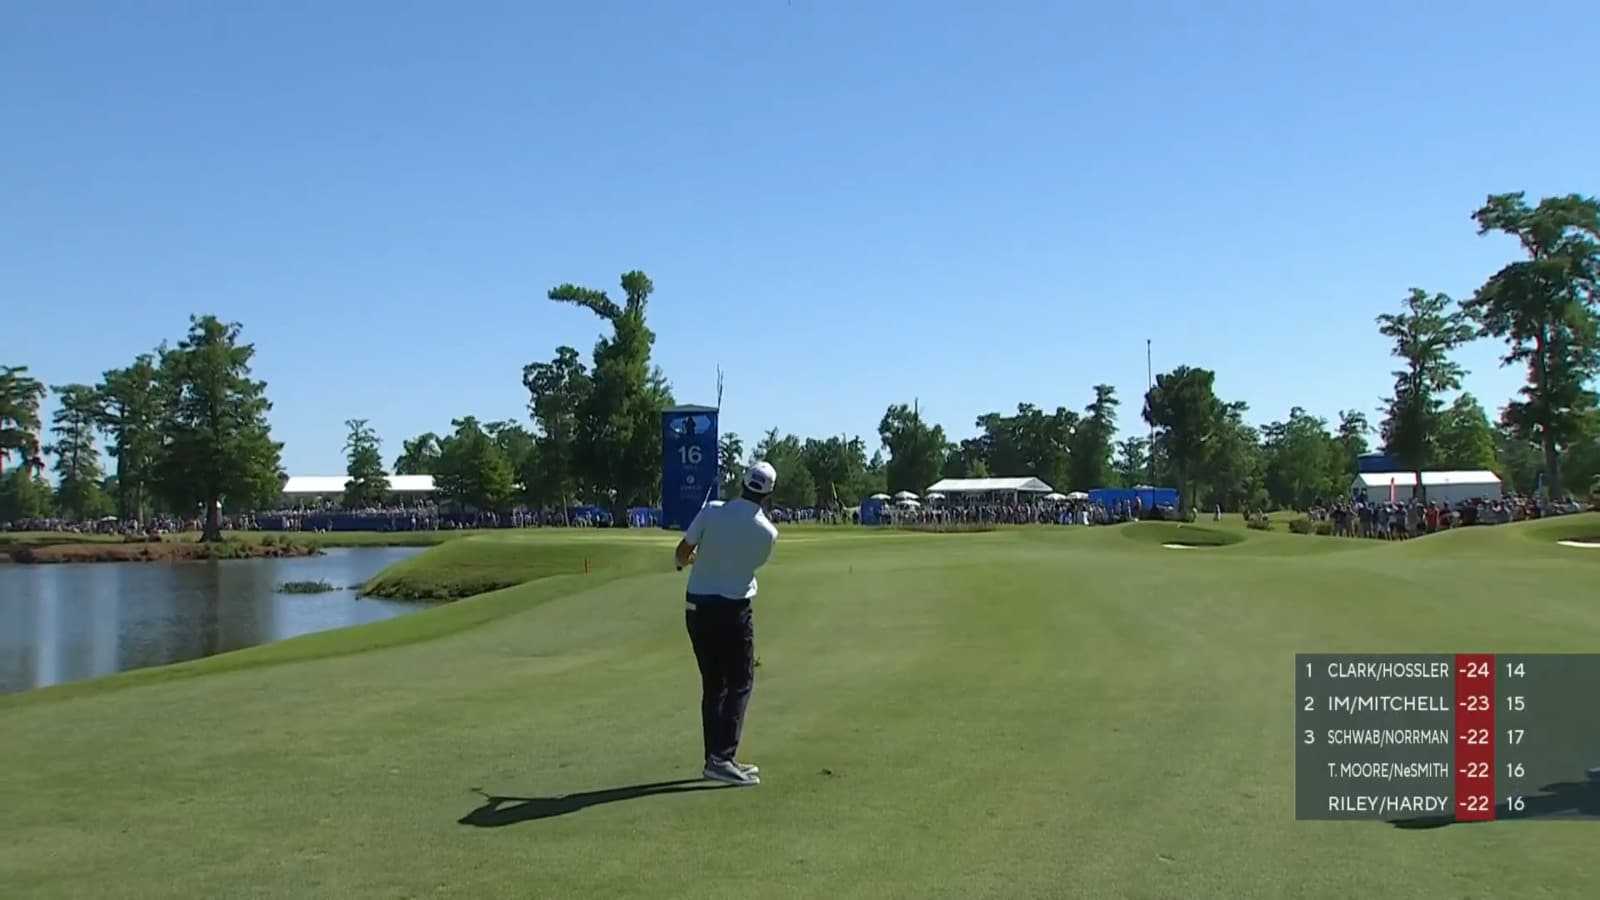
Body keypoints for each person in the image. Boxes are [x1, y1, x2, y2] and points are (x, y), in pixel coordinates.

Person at [675, 460, 780, 786]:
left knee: (714, 685)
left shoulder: (711, 511)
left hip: (697, 606)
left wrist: (694, 559)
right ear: (769, 494)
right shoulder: (768, 533)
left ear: (743, 482)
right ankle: (722, 758)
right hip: (733, 610)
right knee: (739, 683)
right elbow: (748, 563)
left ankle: (716, 758)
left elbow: (682, 553)